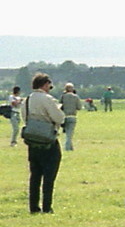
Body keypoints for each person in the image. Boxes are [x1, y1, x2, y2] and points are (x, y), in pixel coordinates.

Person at [23, 73, 63, 214]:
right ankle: (47, 206)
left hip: (33, 141)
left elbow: (24, 117)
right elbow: (59, 117)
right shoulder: (47, 99)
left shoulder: (27, 99)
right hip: (48, 140)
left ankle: (33, 207)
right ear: (45, 84)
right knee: (49, 175)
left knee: (35, 175)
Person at [58, 83, 82, 151]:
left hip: (64, 116)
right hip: (72, 116)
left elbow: (60, 106)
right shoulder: (75, 97)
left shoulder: (63, 96)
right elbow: (79, 107)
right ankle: (67, 148)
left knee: (67, 133)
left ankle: (71, 148)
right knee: (69, 134)